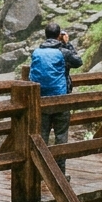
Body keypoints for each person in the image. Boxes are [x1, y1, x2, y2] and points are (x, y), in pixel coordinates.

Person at [28, 23, 84, 172]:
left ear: (45, 35)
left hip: (41, 99)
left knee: (42, 135)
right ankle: (60, 172)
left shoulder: (36, 52)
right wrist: (68, 43)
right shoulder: (63, 52)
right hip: (60, 99)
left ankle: (41, 171)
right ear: (59, 35)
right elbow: (78, 61)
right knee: (61, 135)